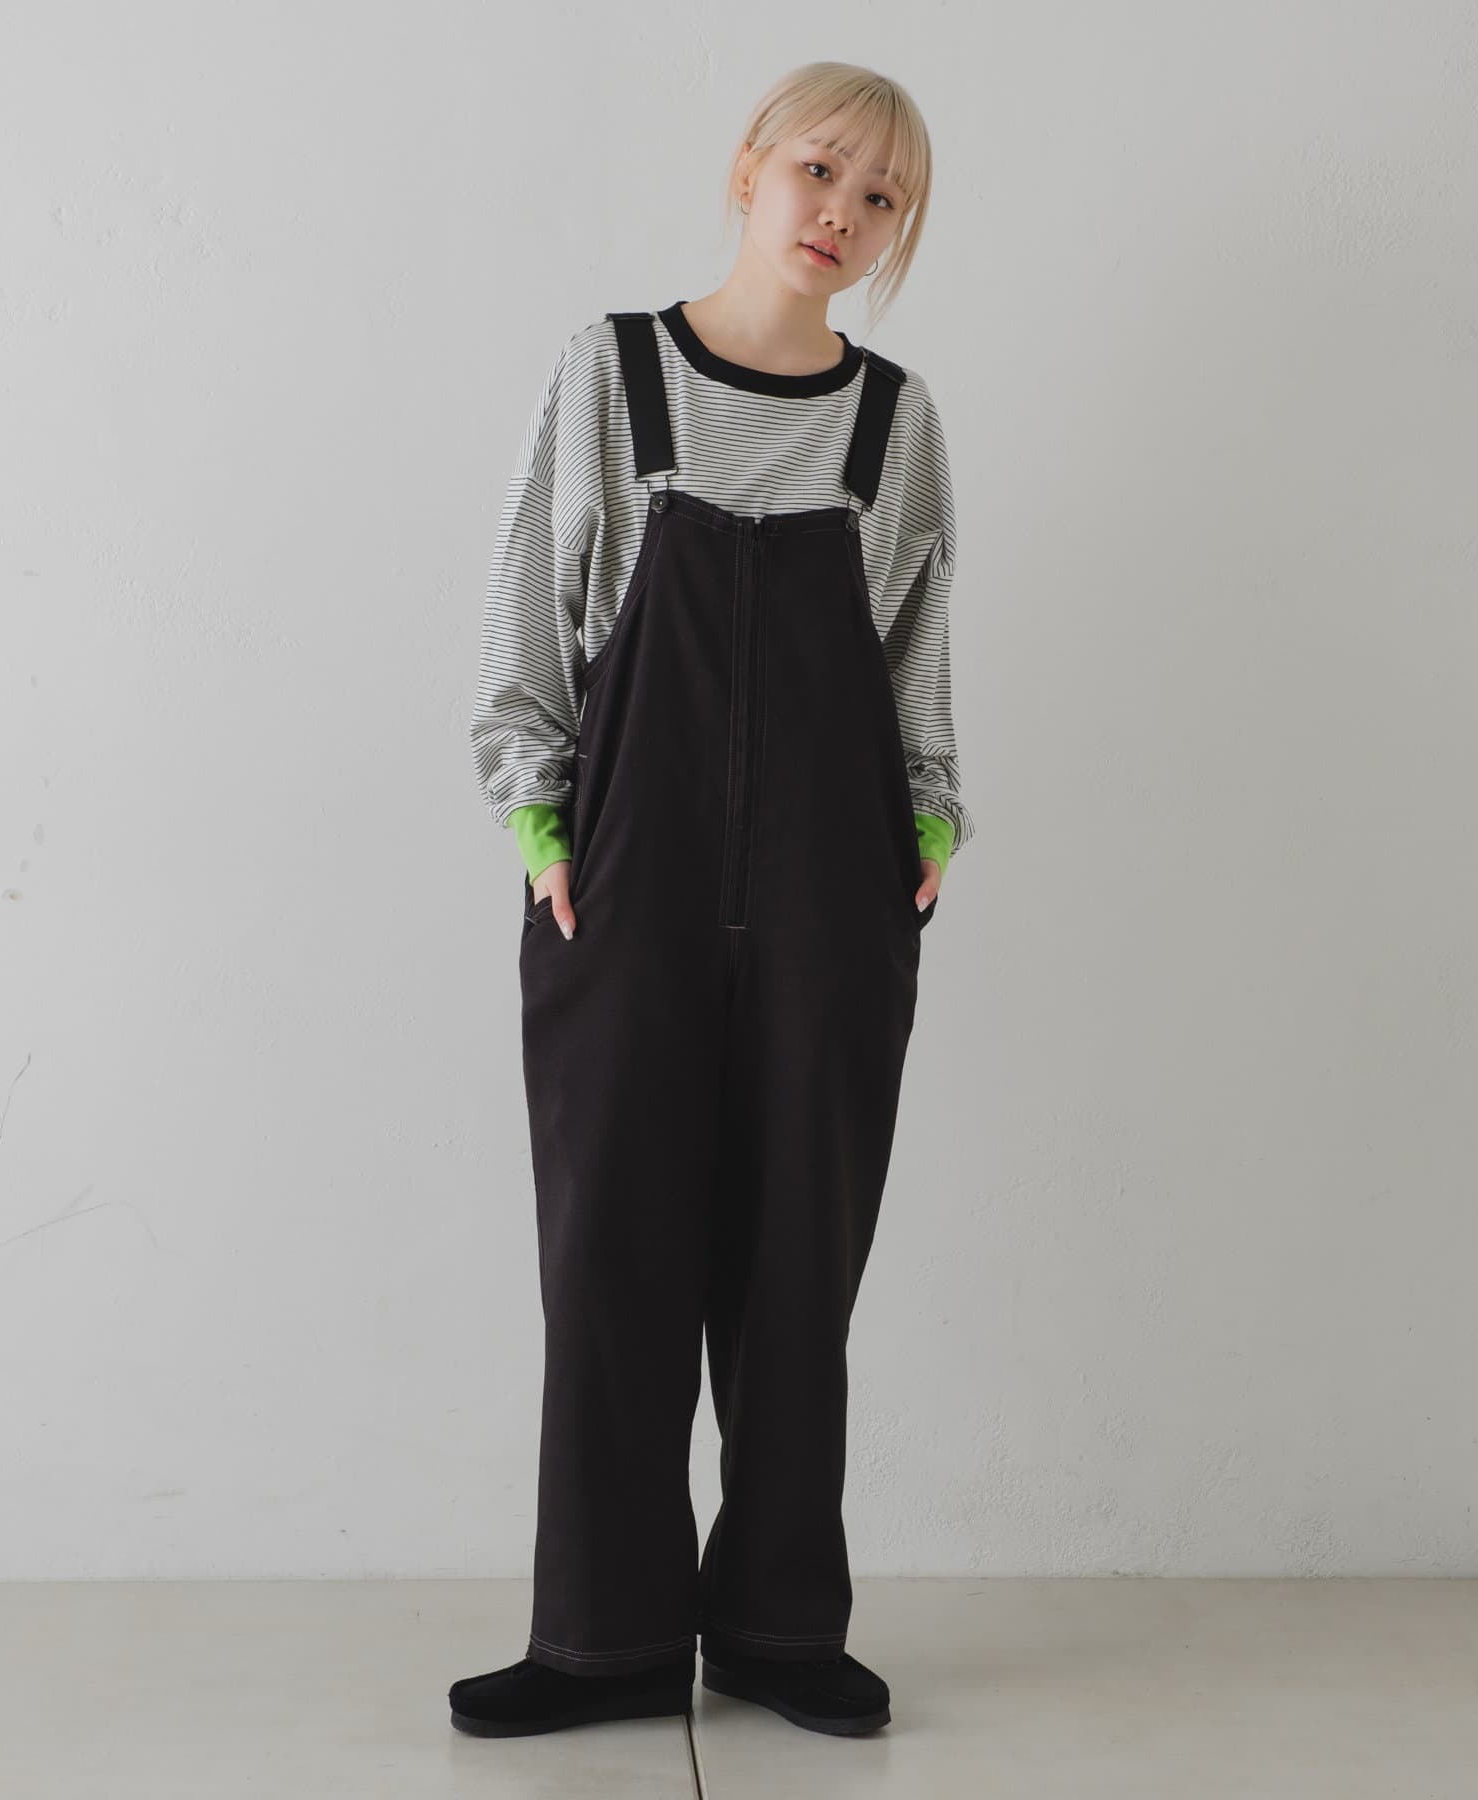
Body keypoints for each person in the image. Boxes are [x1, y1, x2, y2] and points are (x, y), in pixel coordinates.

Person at [451, 59, 974, 1741]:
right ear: (750, 167)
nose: (843, 213)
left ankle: (776, 1631)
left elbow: (918, 640)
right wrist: (540, 829)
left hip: (835, 893)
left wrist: (931, 821)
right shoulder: (613, 373)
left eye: (882, 197)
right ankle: (599, 1643)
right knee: (614, 1252)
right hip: (624, 877)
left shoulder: (894, 422)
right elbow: (529, 607)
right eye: (821, 169)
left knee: (796, 1268)